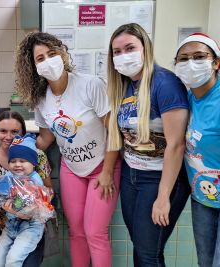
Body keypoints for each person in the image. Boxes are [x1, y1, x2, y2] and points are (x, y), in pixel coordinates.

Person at [15, 31, 121, 267]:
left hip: (102, 167)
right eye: (39, 58)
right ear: (33, 67)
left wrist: (107, 172)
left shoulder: (90, 84)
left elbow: (114, 130)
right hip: (71, 169)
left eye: (51, 54)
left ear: (62, 54)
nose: (47, 61)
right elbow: (45, 138)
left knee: (95, 232)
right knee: (76, 232)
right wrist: (18, 148)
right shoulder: (41, 99)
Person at [106, 23, 190, 266]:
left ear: (145, 48)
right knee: (144, 248)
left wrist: (163, 197)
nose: (123, 56)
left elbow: (176, 145)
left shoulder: (166, 84)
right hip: (132, 175)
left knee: (147, 254)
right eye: (117, 51)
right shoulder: (124, 85)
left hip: (160, 179)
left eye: (130, 48)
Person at [0, 111, 52, 267]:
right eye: (3, 131)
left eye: (14, 132)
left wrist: (32, 208)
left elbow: (48, 191)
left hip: (30, 223)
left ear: (23, 134)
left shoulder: (37, 156)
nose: (8, 136)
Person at [174, 33, 220, 267]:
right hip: (203, 197)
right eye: (183, 59)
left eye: (199, 57)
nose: (191, 64)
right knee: (205, 261)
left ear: (216, 62)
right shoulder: (188, 97)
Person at [0, 133, 53, 267]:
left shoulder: (35, 180)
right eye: (13, 161)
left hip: (30, 227)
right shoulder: (9, 176)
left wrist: (16, 208)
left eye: (22, 161)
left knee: (13, 260)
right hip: (10, 226)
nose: (17, 165)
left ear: (33, 163)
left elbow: (33, 205)